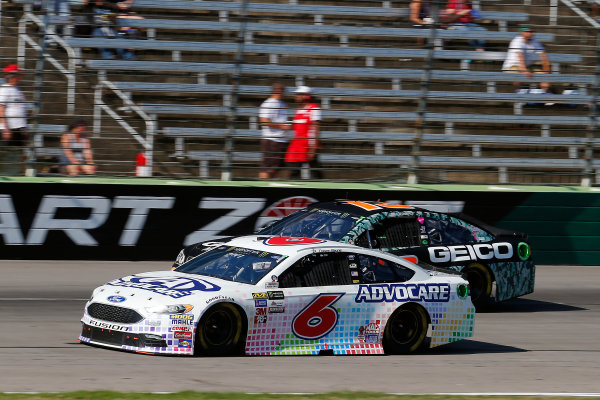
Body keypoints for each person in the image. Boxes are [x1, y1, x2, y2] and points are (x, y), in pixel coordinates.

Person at [285, 86, 322, 180]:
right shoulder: (297, 111)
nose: (296, 96)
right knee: (293, 170)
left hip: (308, 145)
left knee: (315, 172)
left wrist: (313, 149)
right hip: (297, 145)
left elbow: (316, 128)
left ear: (306, 96)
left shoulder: (314, 109)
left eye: (298, 94)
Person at [502, 25, 551, 92]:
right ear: (522, 33)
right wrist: (524, 70)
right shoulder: (517, 41)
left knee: (544, 76)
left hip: (526, 66)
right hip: (511, 66)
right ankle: (518, 95)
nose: (530, 33)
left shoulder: (535, 42)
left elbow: (543, 56)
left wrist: (546, 71)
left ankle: (544, 96)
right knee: (519, 74)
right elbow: (520, 56)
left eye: (531, 31)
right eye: (528, 31)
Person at [0, 64, 28, 176]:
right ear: (12, 76)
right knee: (6, 154)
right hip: (9, 129)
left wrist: (25, 129)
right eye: (18, 75)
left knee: (16, 154)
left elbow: (21, 111)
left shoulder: (18, 90)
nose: (20, 77)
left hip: (18, 129)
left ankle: (13, 175)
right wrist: (6, 129)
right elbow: (1, 109)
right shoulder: (5, 89)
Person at [258, 82, 290, 179]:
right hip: (271, 140)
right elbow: (263, 121)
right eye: (284, 91)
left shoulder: (282, 103)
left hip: (281, 140)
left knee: (277, 167)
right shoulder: (269, 103)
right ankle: (263, 189)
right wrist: (282, 126)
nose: (285, 93)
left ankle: (270, 186)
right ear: (278, 91)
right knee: (267, 168)